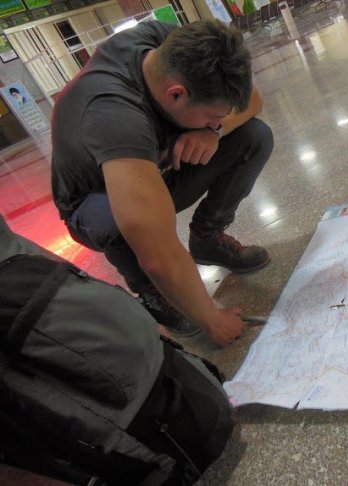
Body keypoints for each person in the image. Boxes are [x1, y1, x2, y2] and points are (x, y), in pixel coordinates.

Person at [51, 19, 274, 347]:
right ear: (177, 94)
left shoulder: (173, 45)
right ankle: (150, 292)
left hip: (158, 168)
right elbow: (157, 252)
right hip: (96, 201)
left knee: (254, 135)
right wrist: (213, 321)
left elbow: (253, 101)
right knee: (122, 222)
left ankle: (207, 239)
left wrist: (212, 130)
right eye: (212, 116)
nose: (217, 121)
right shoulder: (115, 116)